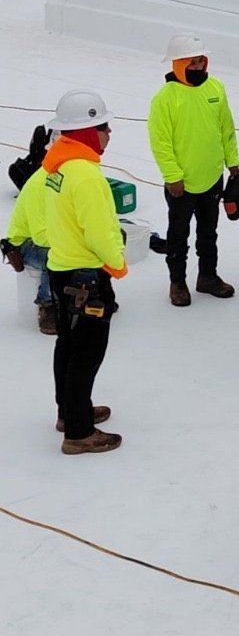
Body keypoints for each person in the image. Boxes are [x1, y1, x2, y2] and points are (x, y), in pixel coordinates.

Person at [43, 89, 128, 455]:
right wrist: (117, 263)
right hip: (86, 277)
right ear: (87, 131)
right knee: (87, 353)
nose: (109, 133)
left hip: (61, 269)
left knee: (68, 345)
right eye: (104, 127)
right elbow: (100, 231)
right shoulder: (86, 176)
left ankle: (69, 411)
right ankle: (78, 432)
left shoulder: (57, 167)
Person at [147, 32, 239, 307]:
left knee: (209, 232)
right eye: (192, 62)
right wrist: (172, 176)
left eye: (201, 61)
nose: (199, 66)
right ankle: (177, 282)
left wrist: (233, 163)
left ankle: (207, 277)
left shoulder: (216, 89)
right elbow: (160, 142)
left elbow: (226, 128)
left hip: (212, 177)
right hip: (182, 184)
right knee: (178, 235)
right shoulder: (165, 98)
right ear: (177, 64)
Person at [3, 138, 56, 334]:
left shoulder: (62, 180)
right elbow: (41, 237)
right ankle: (47, 305)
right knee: (57, 257)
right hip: (25, 244)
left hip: (48, 236)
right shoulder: (40, 186)